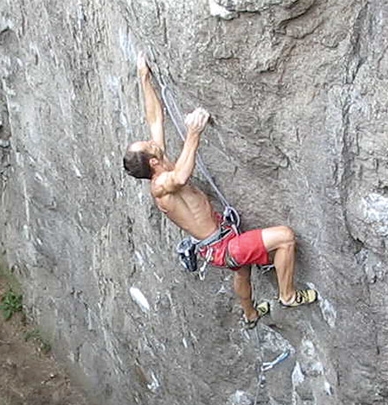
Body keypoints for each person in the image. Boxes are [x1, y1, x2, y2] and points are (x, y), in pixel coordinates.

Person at [123, 52, 318, 327]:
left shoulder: (158, 163)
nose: (150, 139)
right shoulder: (161, 186)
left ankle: (250, 314)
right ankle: (287, 295)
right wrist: (194, 133)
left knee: (242, 271)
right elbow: (180, 177)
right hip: (224, 246)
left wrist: (144, 76)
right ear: (152, 161)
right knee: (285, 238)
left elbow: (155, 119)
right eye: (146, 144)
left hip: (219, 244)